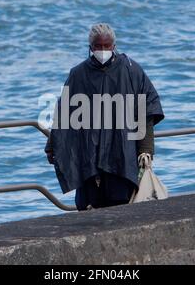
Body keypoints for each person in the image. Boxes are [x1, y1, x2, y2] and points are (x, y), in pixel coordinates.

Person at [45, 23, 164, 210]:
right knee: (88, 205)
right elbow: (63, 112)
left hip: (121, 152)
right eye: (98, 46)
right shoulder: (78, 74)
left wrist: (146, 149)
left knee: (121, 205)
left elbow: (146, 111)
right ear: (90, 47)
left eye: (106, 46)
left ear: (114, 46)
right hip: (88, 153)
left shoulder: (131, 71)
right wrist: (53, 145)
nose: (102, 50)